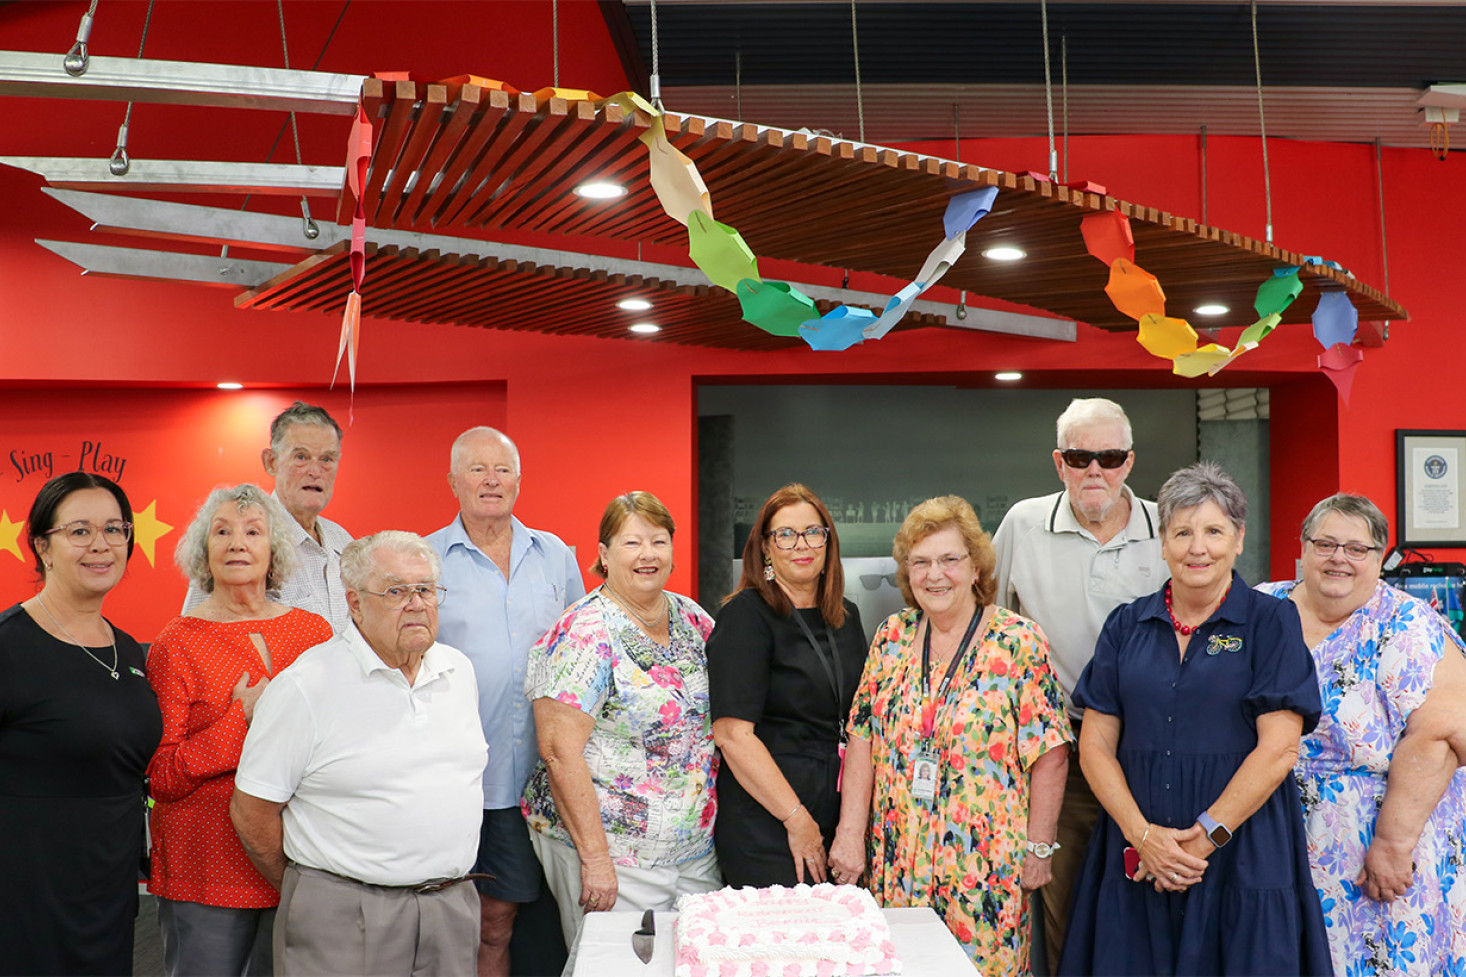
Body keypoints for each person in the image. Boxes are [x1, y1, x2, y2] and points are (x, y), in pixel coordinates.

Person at [1058, 462, 1332, 976]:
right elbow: (1094, 744)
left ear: (1238, 538)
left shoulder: (1271, 622)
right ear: (1163, 542)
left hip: (1240, 850)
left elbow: (1279, 749)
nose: (1197, 547)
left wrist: (1202, 839)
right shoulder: (1126, 625)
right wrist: (1145, 838)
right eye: (1182, 532)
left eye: (1213, 531)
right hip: (1136, 849)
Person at [230, 531, 487, 976]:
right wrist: (314, 889)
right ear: (354, 604)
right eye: (395, 591)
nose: (416, 603)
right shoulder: (306, 686)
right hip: (344, 916)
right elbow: (252, 811)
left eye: (425, 589)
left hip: (450, 908)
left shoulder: (458, 671)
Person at [833, 495, 1071, 975]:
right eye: (920, 562)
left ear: (976, 568)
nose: (934, 575)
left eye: (948, 560)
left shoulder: (1018, 641)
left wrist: (1039, 848)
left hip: (984, 867)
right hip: (899, 858)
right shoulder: (891, 637)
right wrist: (849, 834)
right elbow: (862, 738)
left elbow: (1050, 752)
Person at [991, 396, 1167, 973]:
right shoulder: (1022, 523)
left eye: (1110, 457)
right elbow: (986, 625)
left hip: (1153, 751)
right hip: (1058, 753)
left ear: (1130, 462)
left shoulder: (1170, 526)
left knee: (1153, 898)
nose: (1096, 470)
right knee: (1064, 903)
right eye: (1080, 456)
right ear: (1058, 462)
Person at [1258, 493, 1466, 976]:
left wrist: (1393, 844)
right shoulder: (1262, 606)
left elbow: (1445, 733)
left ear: (1380, 559)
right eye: (1326, 543)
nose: (1339, 558)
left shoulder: (1408, 624)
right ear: (1303, 549)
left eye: (1357, 549)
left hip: (1376, 838)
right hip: (1269, 829)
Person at [146, 485, 333, 976]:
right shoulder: (176, 642)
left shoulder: (314, 634)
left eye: (253, 532)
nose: (237, 543)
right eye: (222, 532)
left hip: (297, 859)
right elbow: (162, 776)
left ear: (275, 550)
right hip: (206, 866)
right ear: (203, 552)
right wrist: (240, 719)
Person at [522, 492, 720, 947]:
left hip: (694, 847)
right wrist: (595, 859)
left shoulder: (693, 619)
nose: (648, 554)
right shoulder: (584, 632)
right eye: (632, 543)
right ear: (605, 556)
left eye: (659, 541)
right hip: (614, 853)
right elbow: (558, 751)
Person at [428, 426, 585, 976]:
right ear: (453, 481)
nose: (491, 480)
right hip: (471, 778)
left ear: (519, 480)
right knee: (486, 921)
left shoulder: (557, 556)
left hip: (552, 775)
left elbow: (583, 654)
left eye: (502, 470)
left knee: (547, 922)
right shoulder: (425, 560)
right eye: (477, 469)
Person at [0, 472, 162, 975]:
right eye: (80, 531)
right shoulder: (8, 645)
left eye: (115, 529)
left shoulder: (128, 647)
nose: (102, 545)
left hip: (109, 893)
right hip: (24, 900)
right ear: (43, 547)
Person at [707, 483, 867, 887]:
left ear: (828, 542)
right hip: (768, 820)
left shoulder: (846, 617)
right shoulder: (746, 616)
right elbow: (732, 735)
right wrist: (796, 819)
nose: (802, 545)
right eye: (786, 534)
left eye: (814, 532)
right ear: (765, 546)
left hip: (834, 814)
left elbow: (859, 720)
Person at [185, 402, 352, 632]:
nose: (315, 471)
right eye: (301, 457)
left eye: (326, 459)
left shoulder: (343, 541)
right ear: (271, 462)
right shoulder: (238, 542)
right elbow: (196, 635)